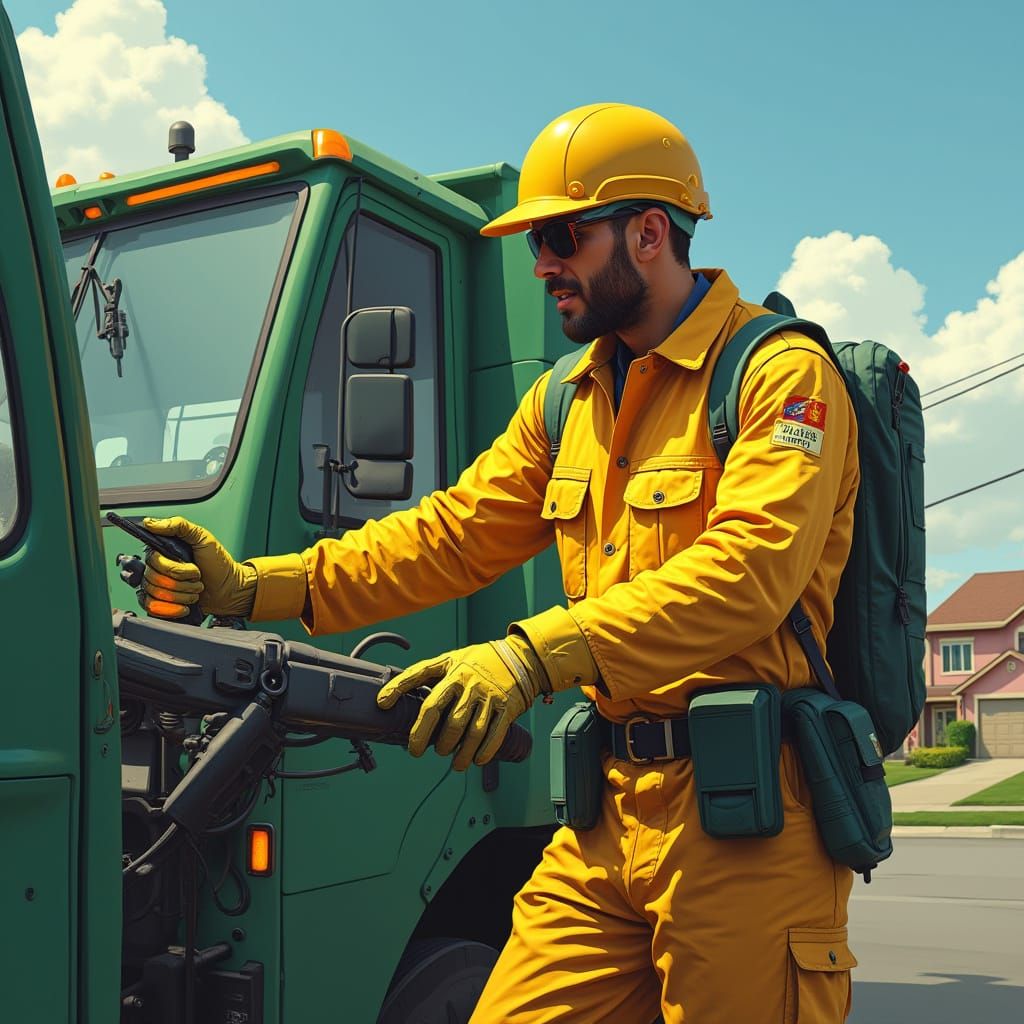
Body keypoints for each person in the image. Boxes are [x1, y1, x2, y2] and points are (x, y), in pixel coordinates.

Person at [141, 102, 860, 1023]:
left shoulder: (777, 374)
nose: (542, 264)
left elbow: (749, 571)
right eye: (533, 241)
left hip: (751, 824)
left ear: (649, 232)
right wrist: (255, 587)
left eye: (561, 235)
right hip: (604, 821)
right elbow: (448, 533)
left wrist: (532, 655)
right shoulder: (567, 399)